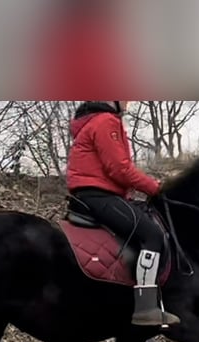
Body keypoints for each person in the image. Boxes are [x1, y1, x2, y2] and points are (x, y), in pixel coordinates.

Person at [66, 101, 180, 327]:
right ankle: (146, 308)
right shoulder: (106, 121)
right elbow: (120, 169)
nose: (129, 101)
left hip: (93, 195)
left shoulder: (91, 122)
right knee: (152, 236)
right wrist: (155, 188)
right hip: (100, 197)